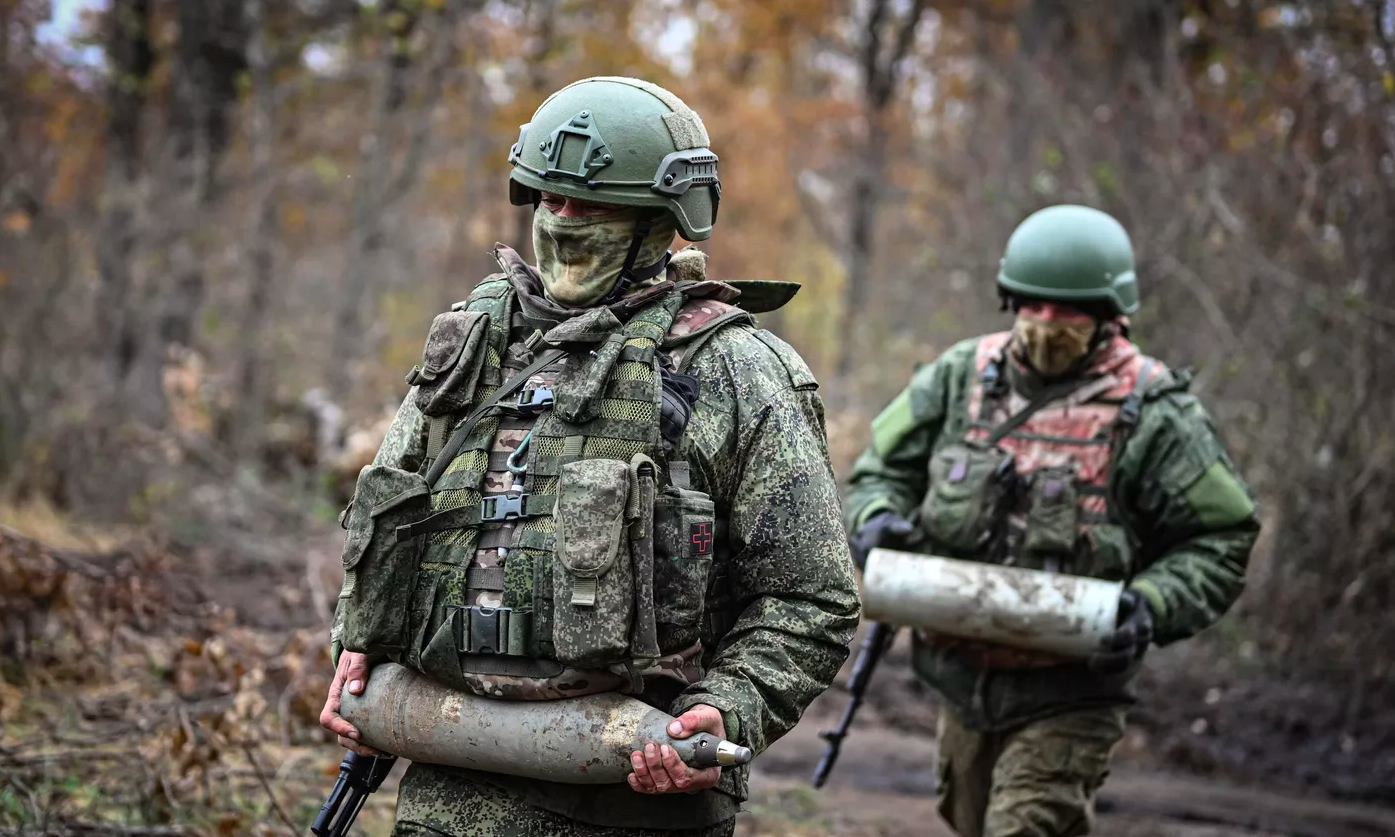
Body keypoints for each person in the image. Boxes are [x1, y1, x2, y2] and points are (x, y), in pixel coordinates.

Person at [318, 76, 860, 837]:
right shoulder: (474, 343)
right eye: (550, 199)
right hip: (447, 786)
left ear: (659, 219)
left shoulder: (736, 369)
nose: (565, 221)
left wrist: (727, 704)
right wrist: (355, 645)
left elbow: (810, 598)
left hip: (630, 798)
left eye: (595, 205)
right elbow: (387, 519)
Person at [843, 205, 1259, 837]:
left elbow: (1220, 537)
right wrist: (876, 518)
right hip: (961, 682)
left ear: (1108, 315)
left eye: (1067, 311)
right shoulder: (961, 377)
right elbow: (879, 472)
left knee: (1024, 826)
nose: (1045, 323)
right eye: (1031, 306)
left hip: (1073, 690)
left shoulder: (1154, 412)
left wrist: (1152, 603)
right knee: (970, 819)